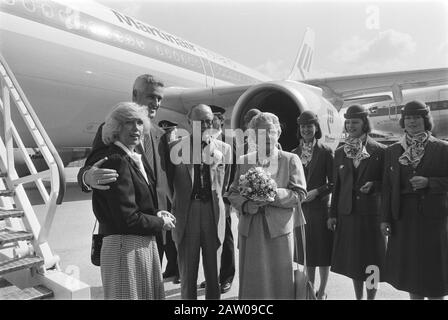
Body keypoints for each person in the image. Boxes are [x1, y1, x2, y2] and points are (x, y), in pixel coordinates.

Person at [77, 74, 172, 262]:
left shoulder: (160, 134)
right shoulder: (112, 129)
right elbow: (92, 164)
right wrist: (87, 177)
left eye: (160, 98)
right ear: (135, 95)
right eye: (151, 96)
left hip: (156, 225)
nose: (156, 103)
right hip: (124, 235)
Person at [91, 102, 175, 300]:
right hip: (124, 249)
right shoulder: (115, 160)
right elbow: (126, 218)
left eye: (139, 122)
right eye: (129, 122)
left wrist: (156, 213)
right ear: (116, 128)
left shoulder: (130, 157)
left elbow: (137, 204)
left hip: (140, 244)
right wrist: (160, 222)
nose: (136, 128)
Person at [228, 112, 307, 299]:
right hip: (252, 228)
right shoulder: (244, 160)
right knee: (254, 282)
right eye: (261, 133)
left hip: (278, 231)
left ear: (278, 133)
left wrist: (274, 194)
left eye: (271, 132)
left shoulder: (290, 159)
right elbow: (232, 192)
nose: (268, 137)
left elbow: (300, 194)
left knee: (280, 281)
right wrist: (247, 205)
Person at [381, 100, 448, 300]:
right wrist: (385, 219)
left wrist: (430, 182)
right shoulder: (393, 151)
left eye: (417, 117)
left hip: (434, 221)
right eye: (408, 118)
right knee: (412, 275)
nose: (412, 122)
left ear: (425, 120)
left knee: (435, 275)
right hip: (404, 220)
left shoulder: (442, 148)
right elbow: (387, 187)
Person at [170, 104, 232, 299]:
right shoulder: (175, 148)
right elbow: (167, 183)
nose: (205, 124)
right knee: (188, 272)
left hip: (212, 212)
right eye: (200, 121)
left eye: (208, 120)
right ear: (189, 122)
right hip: (187, 213)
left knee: (214, 272)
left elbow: (226, 181)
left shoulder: (225, 149)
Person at [327, 104, 386, 300]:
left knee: (372, 262)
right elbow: (337, 186)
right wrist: (333, 213)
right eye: (348, 122)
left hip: (371, 216)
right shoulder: (340, 152)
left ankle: (371, 298)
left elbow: (388, 183)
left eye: (355, 122)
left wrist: (375, 186)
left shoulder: (380, 151)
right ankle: (359, 297)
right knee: (355, 261)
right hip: (348, 214)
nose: (351, 126)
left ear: (364, 124)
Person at [291, 111, 334, 300]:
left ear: (316, 128)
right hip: (302, 210)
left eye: (309, 126)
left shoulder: (325, 151)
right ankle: (309, 291)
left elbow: (333, 183)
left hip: (320, 210)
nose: (306, 129)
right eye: (303, 126)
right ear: (299, 130)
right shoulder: (293, 154)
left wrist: (316, 192)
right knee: (307, 254)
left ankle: (322, 291)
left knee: (323, 254)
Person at [158, 120, 180, 284]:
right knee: (166, 235)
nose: (168, 135)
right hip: (162, 194)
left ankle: (179, 269)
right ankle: (172, 267)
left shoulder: (178, 148)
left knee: (176, 234)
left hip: (174, 194)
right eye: (166, 133)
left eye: (170, 132)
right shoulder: (161, 147)